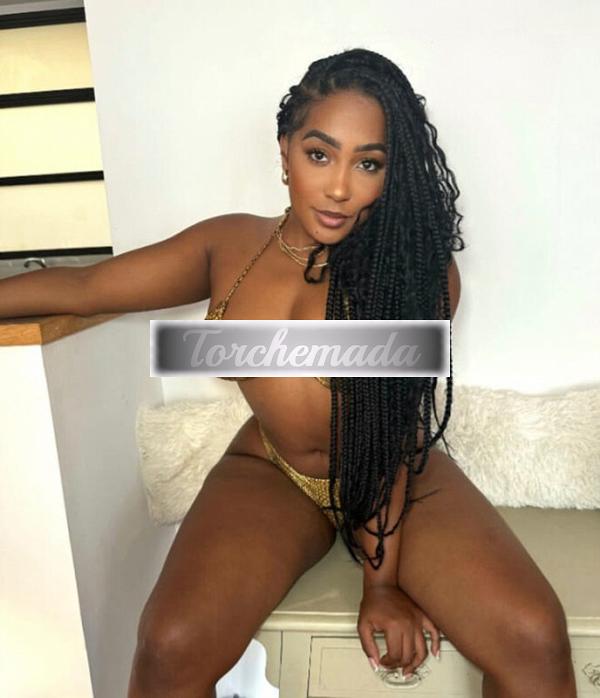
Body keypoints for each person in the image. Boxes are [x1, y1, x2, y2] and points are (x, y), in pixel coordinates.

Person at [0, 48, 576, 698]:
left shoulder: (415, 270)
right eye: (319, 154)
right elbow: (86, 288)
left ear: (391, 174)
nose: (339, 188)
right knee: (169, 646)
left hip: (391, 470)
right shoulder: (228, 246)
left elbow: (385, 434)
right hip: (273, 470)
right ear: (285, 152)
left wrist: (382, 583)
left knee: (535, 637)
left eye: (368, 163)